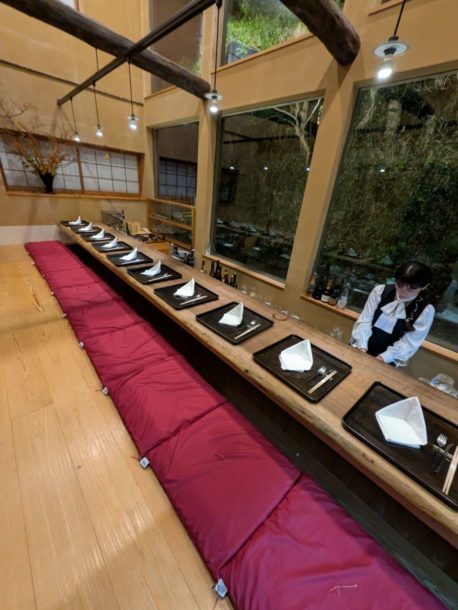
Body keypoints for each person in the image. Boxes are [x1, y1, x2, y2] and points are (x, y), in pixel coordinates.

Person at [350, 261, 434, 366]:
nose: (402, 292)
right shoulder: (380, 291)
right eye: (399, 285)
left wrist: (381, 358)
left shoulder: (426, 310)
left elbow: (409, 343)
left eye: (410, 289)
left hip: (387, 360)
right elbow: (365, 320)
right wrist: (362, 348)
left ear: (424, 286)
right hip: (360, 348)